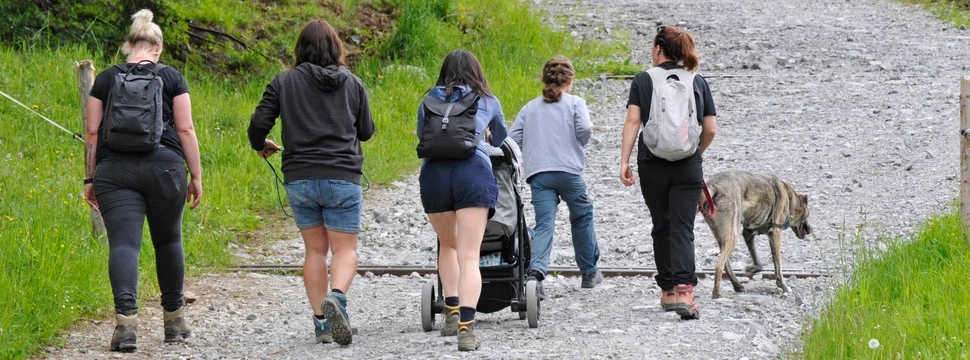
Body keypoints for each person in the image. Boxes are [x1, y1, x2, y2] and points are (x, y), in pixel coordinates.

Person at [247, 19, 375, 346]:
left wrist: (264, 145)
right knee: (345, 249)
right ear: (336, 48)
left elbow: (256, 129)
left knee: (315, 251)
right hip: (343, 177)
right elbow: (366, 131)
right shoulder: (353, 83)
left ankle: (322, 323)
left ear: (300, 49)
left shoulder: (283, 82)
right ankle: (338, 298)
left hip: (300, 178)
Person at [83, 9, 203, 352]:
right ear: (158, 47)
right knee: (167, 241)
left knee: (124, 245)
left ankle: (126, 328)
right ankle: (174, 323)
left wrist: (90, 177)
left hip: (114, 171)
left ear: (129, 46)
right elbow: (185, 129)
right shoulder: (172, 77)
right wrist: (195, 175)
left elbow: (92, 131)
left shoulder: (105, 79)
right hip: (165, 169)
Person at [619, 26, 717, 320]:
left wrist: (624, 161)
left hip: (652, 163)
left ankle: (668, 292)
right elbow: (710, 128)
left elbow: (633, 122)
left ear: (659, 49)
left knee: (661, 225)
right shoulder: (697, 81)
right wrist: (695, 154)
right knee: (683, 229)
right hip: (688, 164)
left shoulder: (643, 79)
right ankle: (686, 292)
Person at [417, 49, 507, 352]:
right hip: (472, 173)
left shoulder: (428, 99)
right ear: (476, 71)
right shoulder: (487, 99)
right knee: (470, 255)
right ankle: (467, 329)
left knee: (448, 244)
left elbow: (422, 136)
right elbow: (499, 139)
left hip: (434, 176)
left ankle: (451, 312)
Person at [509, 56, 603, 298]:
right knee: (582, 216)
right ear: (570, 81)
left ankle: (535, 275)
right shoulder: (575, 103)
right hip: (569, 172)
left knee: (544, 224)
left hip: (539, 174)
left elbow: (513, 139)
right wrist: (578, 143)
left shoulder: (530, 108)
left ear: (544, 79)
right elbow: (585, 129)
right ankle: (589, 272)